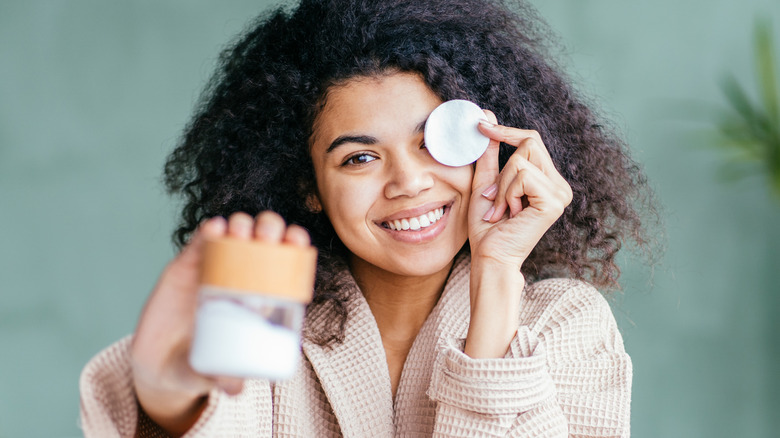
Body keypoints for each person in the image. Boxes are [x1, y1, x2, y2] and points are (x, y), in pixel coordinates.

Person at [80, 0, 653, 436]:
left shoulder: (566, 326)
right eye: (359, 157)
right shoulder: (261, 321)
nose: (408, 182)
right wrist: (167, 397)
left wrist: (497, 273)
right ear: (308, 186)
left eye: (433, 143)